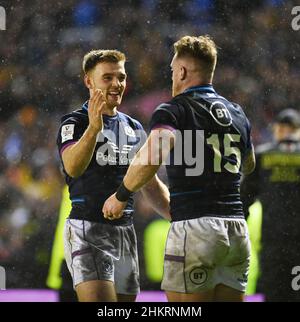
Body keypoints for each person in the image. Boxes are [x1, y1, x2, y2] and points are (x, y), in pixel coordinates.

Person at [103, 35, 256, 302]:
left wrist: (121, 195)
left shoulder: (174, 110)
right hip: (236, 230)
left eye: (173, 71)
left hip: (195, 230)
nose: (172, 77)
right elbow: (249, 164)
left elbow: (152, 156)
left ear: (183, 71)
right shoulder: (237, 112)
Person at [56, 49, 170, 302]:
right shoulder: (74, 123)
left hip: (125, 232)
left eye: (121, 77)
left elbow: (148, 183)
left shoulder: (133, 127)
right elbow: (72, 166)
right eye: (107, 77)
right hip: (88, 228)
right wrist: (94, 129)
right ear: (89, 81)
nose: (117, 84)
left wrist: (180, 217)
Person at [241, 108, 300, 302]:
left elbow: (245, 197)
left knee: (274, 290)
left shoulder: (263, 155)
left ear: (278, 129)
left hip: (273, 238)